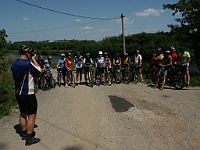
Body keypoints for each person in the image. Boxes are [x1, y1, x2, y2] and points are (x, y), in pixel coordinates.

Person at [11, 45, 41, 146]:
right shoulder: (27, 64)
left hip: (18, 93)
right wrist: (34, 60)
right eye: (30, 54)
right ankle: (29, 138)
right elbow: (39, 70)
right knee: (32, 115)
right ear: (27, 53)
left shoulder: (14, 64)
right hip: (28, 93)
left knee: (23, 113)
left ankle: (24, 133)